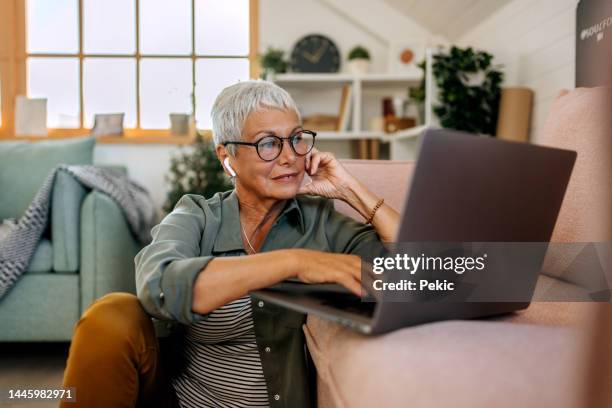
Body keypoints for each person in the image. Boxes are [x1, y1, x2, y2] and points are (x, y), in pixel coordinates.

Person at [61, 80, 399, 408]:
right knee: (111, 314)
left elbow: (420, 271)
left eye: (296, 139)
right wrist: (293, 262)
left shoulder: (320, 222)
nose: (289, 157)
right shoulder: (198, 216)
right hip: (182, 401)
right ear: (227, 156)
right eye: (268, 143)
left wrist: (349, 189)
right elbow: (158, 286)